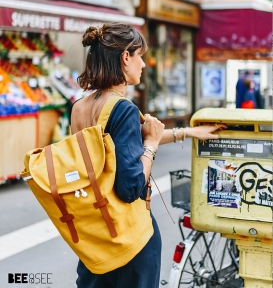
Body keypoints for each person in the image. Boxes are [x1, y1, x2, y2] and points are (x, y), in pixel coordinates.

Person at [70, 22, 227, 288]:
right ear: (125, 57)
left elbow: (125, 143)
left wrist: (187, 132)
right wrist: (152, 145)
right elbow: (130, 187)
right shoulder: (123, 108)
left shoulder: (80, 107)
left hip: (94, 233)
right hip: (129, 236)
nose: (143, 64)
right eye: (140, 56)